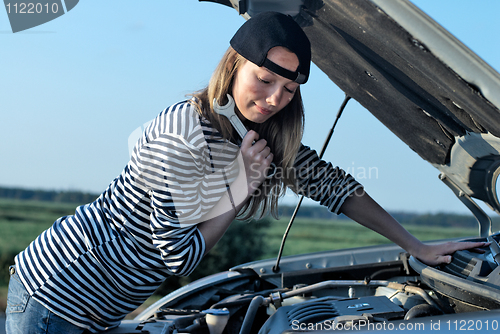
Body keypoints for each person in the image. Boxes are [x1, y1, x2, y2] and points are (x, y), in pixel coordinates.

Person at [5, 11, 487, 334]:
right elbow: (177, 257)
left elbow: (334, 186)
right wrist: (240, 186)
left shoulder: (260, 135)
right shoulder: (180, 134)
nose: (275, 98)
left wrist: (416, 246)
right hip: (55, 294)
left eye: (289, 88)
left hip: (101, 303)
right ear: (234, 66)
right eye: (265, 79)